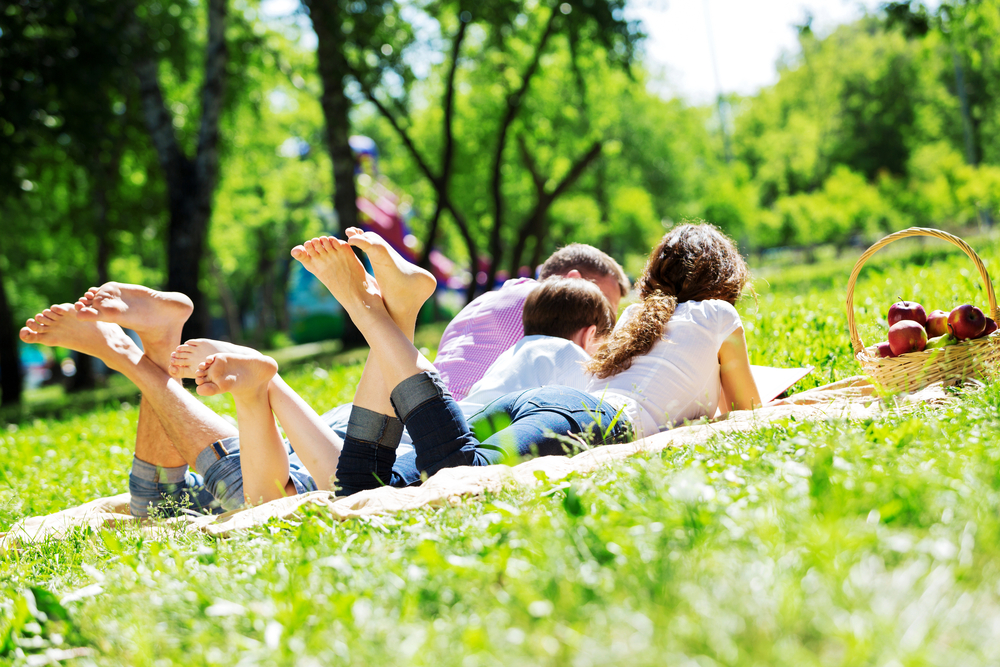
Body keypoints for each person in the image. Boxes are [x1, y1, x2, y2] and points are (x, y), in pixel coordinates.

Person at [292, 223, 760, 495]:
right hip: (590, 417)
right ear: (725, 279)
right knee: (462, 476)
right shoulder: (719, 315)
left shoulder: (639, 314)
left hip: (551, 403)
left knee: (363, 485)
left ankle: (399, 314)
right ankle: (373, 315)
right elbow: (747, 413)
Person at [433, 244, 629, 401]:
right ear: (575, 281)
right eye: (603, 304)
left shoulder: (486, 301)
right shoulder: (548, 313)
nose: (607, 326)